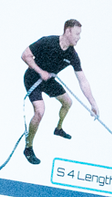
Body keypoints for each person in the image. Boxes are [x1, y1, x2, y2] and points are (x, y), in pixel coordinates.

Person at [19, 20, 102, 161]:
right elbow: (25, 55)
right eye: (77, 33)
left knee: (68, 103)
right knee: (40, 111)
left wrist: (93, 103)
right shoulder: (47, 42)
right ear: (68, 31)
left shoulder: (72, 55)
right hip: (33, 78)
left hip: (48, 80)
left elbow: (83, 80)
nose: (79, 37)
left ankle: (58, 129)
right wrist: (40, 71)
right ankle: (28, 148)